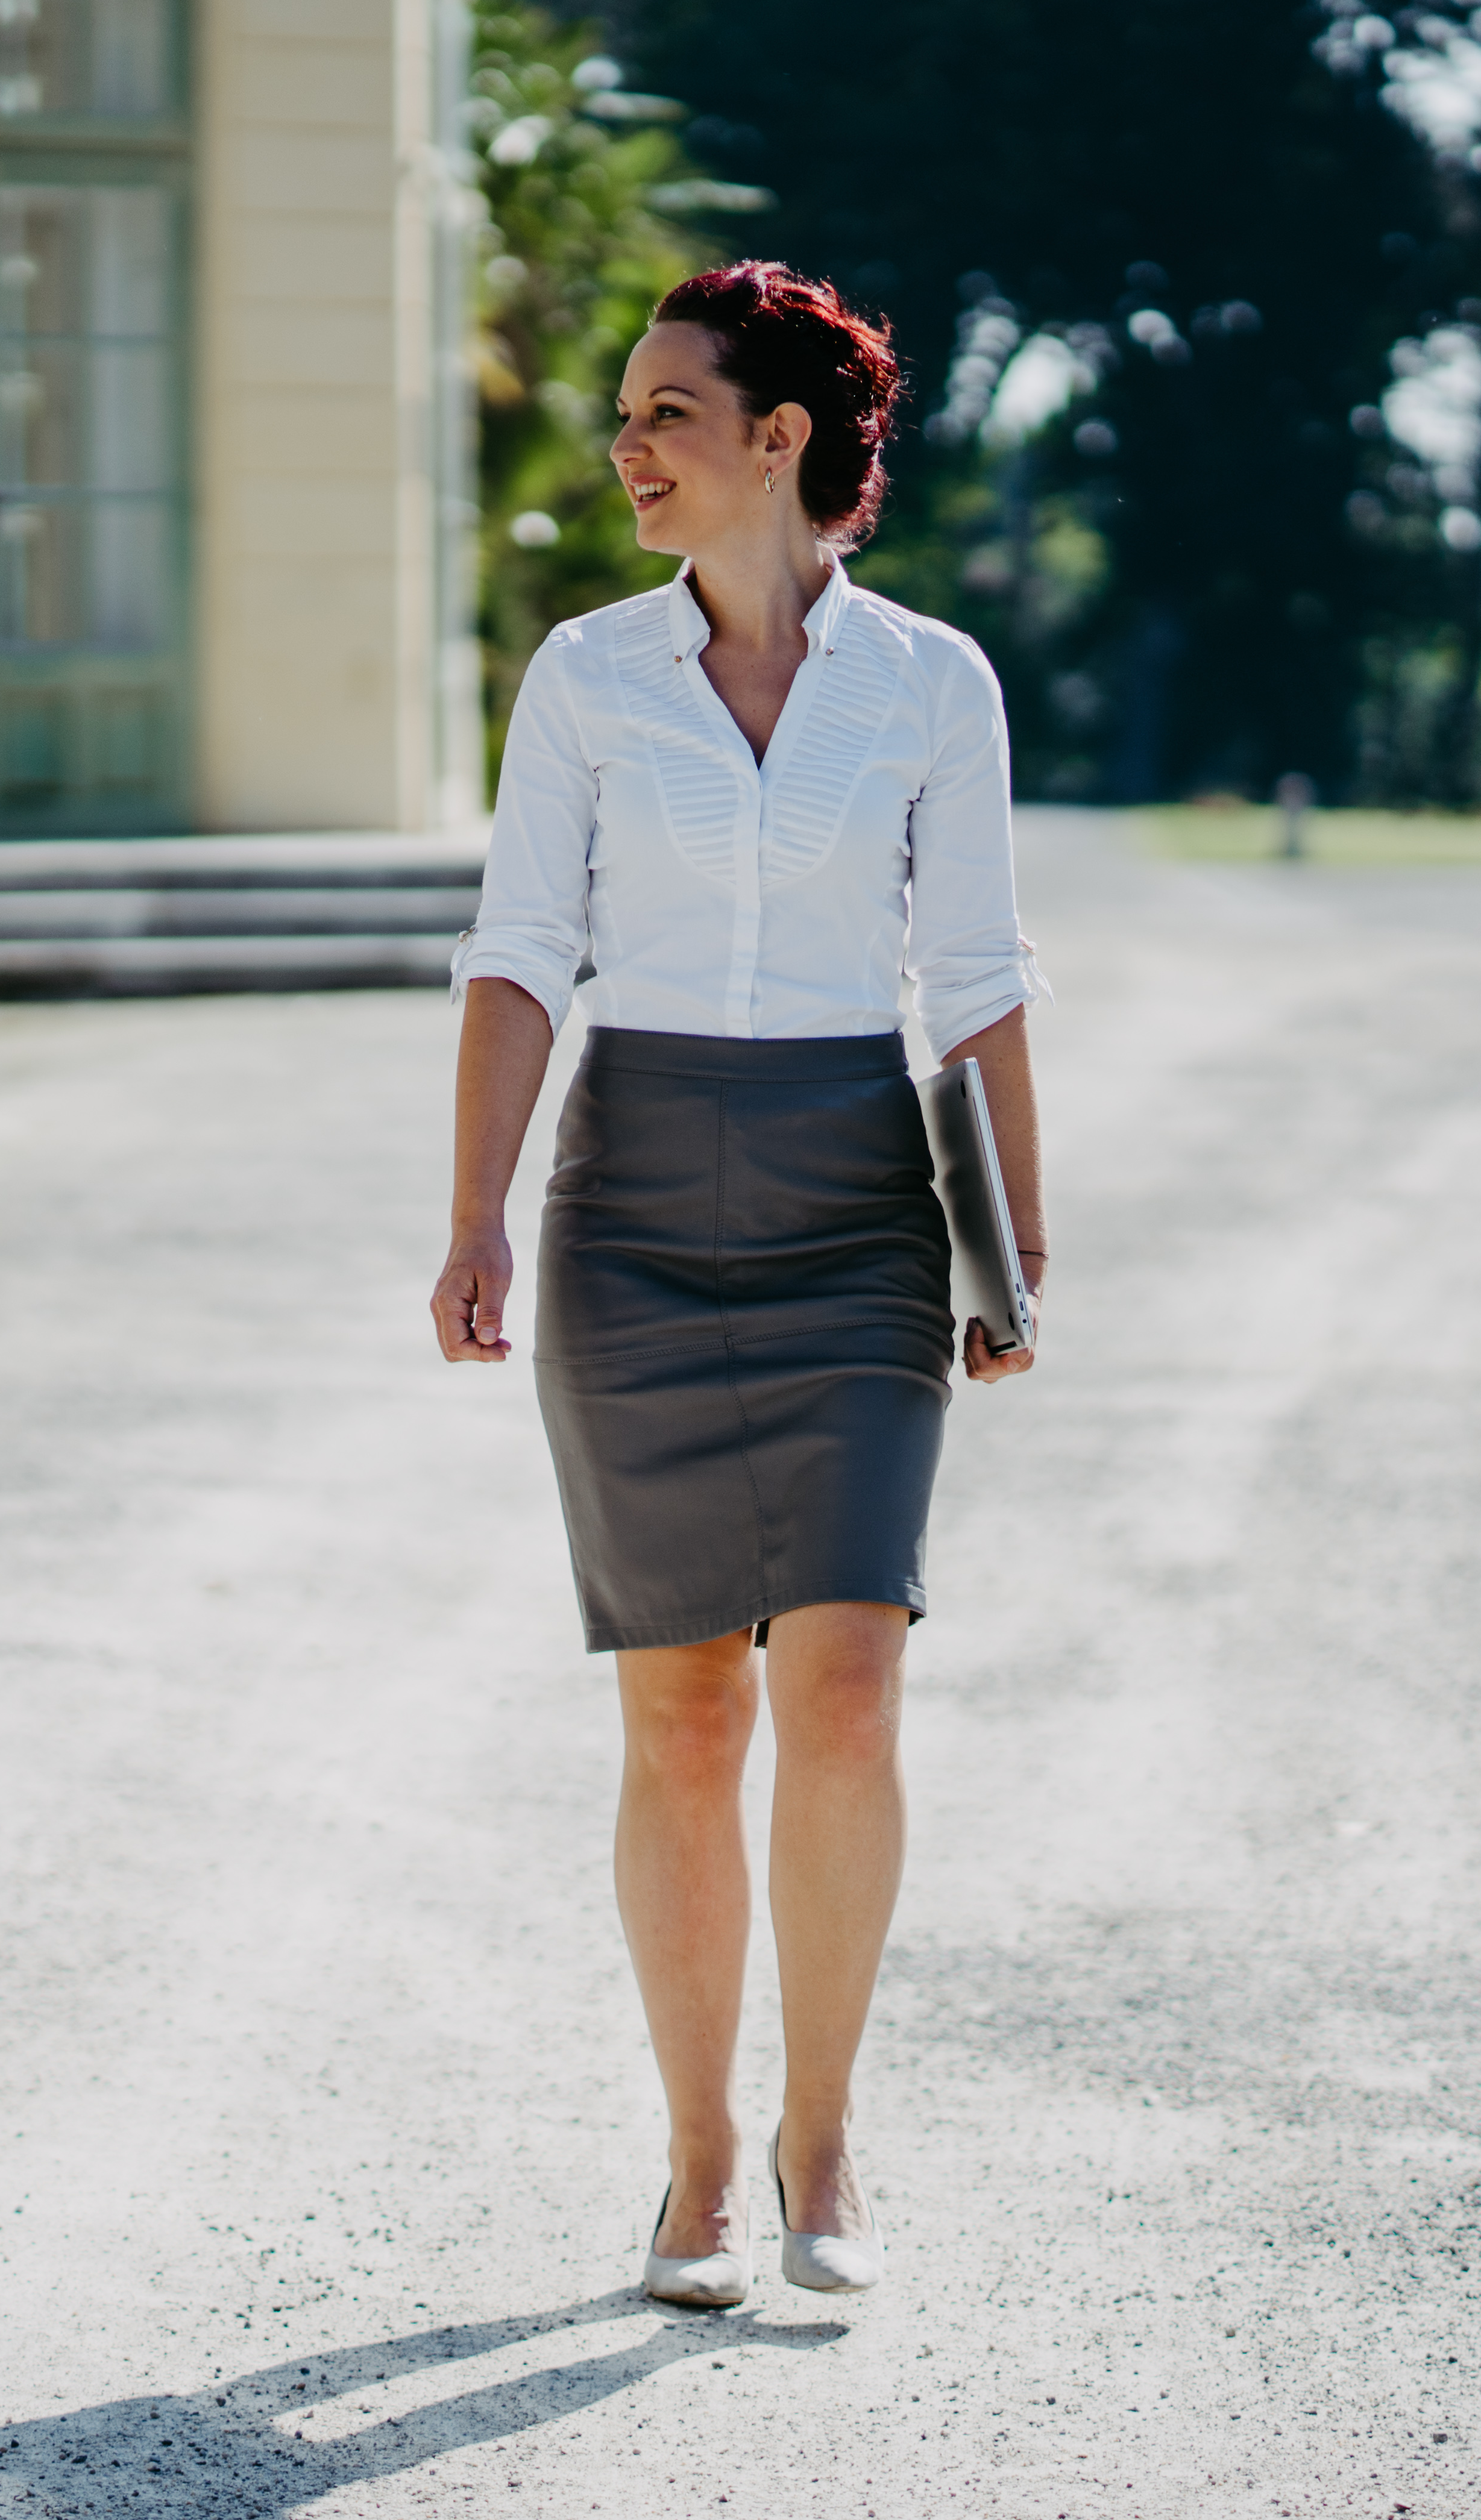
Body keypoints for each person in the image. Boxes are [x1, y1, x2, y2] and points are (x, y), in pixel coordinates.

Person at [435, 261, 1046, 2307]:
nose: (627, 444)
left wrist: (1010, 1240)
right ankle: (697, 2166)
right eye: (629, 413)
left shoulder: (934, 683)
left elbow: (973, 977)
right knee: (685, 1708)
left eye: (665, 412)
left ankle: (825, 2138)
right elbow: (521, 946)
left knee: (848, 1684)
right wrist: (475, 1211)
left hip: (858, 1201)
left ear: (781, 440)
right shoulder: (586, 675)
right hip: (633, 1204)